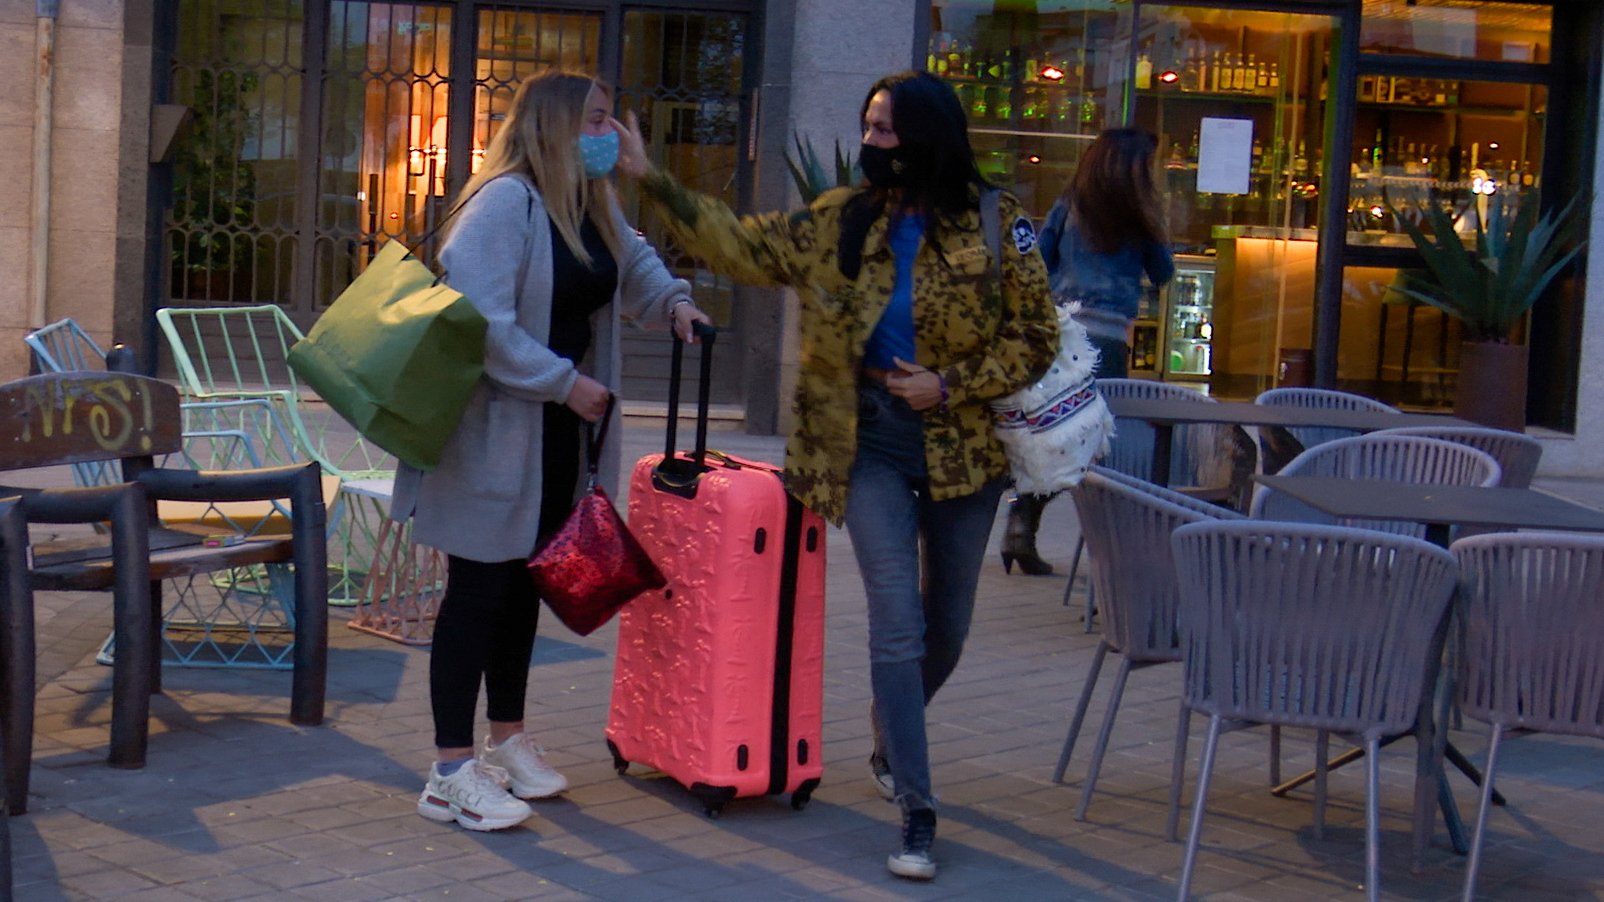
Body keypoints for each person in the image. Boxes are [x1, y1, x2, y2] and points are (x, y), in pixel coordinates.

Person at [613, 70, 1058, 880]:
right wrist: (655, 182)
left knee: (946, 629)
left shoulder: (1000, 223)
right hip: (869, 443)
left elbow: (1036, 338)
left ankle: (894, 730)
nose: (872, 143)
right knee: (895, 620)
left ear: (926, 136)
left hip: (964, 452)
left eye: (886, 130)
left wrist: (951, 383)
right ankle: (918, 811)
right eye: (868, 128)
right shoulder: (839, 219)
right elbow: (742, 244)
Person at [391, 70, 711, 832]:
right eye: (597, 120)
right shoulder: (504, 201)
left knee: (525, 587)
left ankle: (505, 742)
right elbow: (479, 323)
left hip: (557, 435)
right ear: (554, 126)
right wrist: (563, 383)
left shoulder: (587, 200)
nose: (610, 135)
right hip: (493, 433)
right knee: (476, 593)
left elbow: (631, 264)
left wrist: (674, 303)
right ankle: (446, 771)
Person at [1000, 127, 1175, 576]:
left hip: (1061, 330)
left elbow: (1038, 259)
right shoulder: (1139, 216)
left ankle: (1022, 515)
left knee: (1058, 429)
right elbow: (1164, 273)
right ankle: (1039, 522)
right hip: (1107, 340)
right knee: (1090, 442)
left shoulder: (1069, 203)